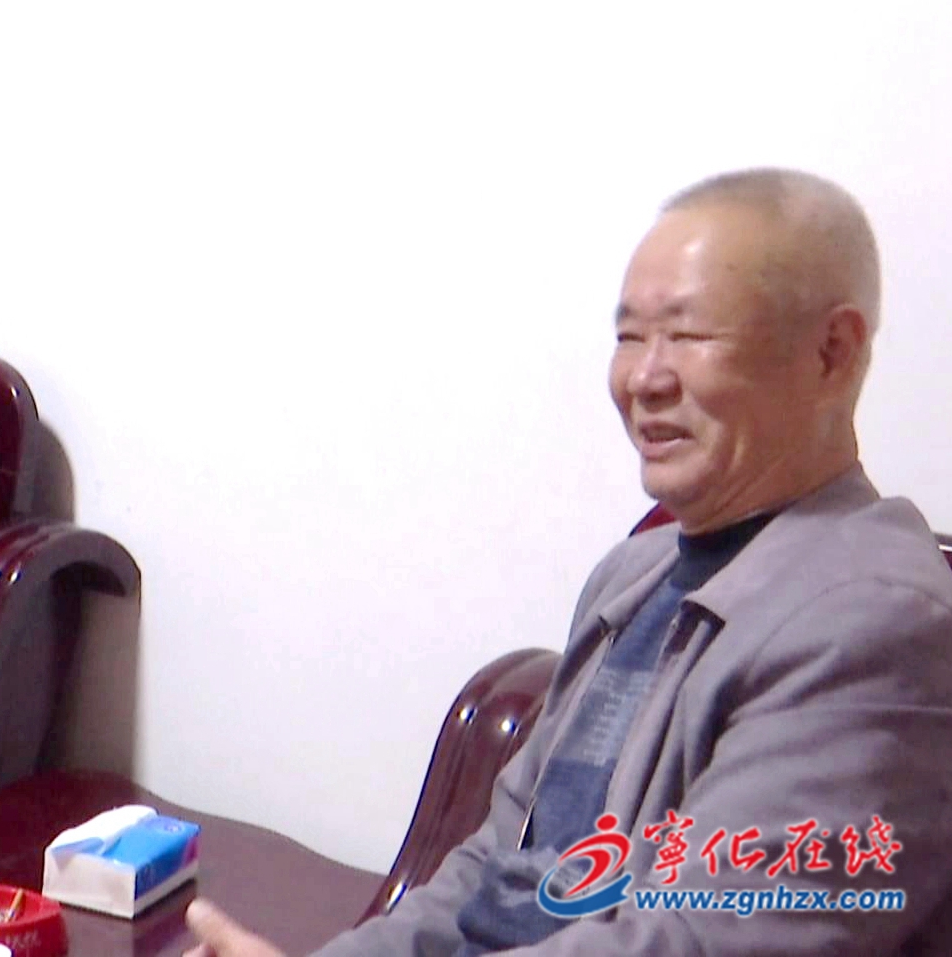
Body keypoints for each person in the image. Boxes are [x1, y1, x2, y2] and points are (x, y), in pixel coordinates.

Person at [186, 168, 952, 955]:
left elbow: (703, 938)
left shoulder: (875, 622)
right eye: (629, 336)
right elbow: (490, 871)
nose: (643, 378)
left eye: (688, 335)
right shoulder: (634, 575)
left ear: (831, 352)